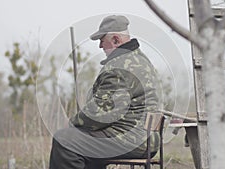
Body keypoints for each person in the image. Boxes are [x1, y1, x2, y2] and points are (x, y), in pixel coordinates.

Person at [49, 15, 162, 169]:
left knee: (65, 141)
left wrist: (72, 123)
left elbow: (101, 114)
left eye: (102, 40)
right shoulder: (141, 60)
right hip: (148, 139)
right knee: (83, 143)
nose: (100, 46)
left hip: (132, 140)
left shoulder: (120, 66)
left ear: (115, 40)